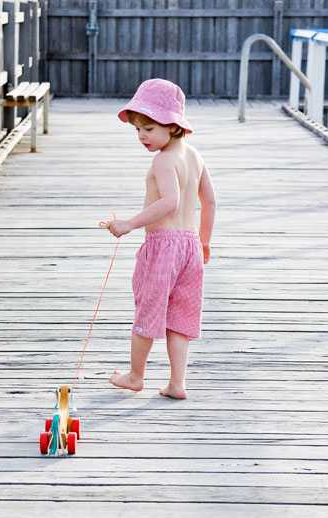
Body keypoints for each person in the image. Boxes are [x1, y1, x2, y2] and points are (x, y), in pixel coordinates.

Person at [106, 78, 216, 399]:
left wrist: (128, 224)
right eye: (137, 128)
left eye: (149, 128)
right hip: (190, 247)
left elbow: (169, 202)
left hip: (163, 247)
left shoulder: (163, 160)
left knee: (148, 310)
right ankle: (176, 383)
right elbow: (209, 201)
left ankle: (136, 376)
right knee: (180, 316)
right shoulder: (194, 156)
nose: (142, 135)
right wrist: (204, 241)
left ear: (172, 126)